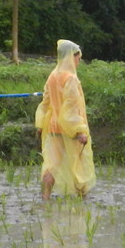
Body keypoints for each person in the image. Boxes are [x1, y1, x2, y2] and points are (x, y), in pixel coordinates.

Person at [35, 40, 96, 200]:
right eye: (78, 58)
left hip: (53, 126)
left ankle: (45, 198)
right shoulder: (71, 79)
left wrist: (41, 124)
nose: (79, 62)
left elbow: (45, 103)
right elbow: (71, 107)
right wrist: (79, 130)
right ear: (71, 57)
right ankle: (83, 200)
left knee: (51, 164)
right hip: (68, 127)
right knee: (78, 163)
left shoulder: (52, 76)